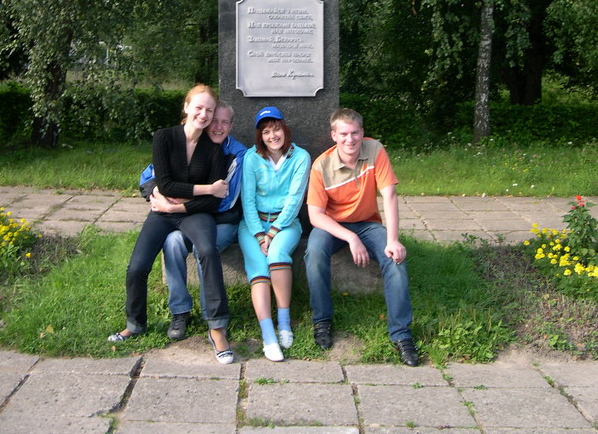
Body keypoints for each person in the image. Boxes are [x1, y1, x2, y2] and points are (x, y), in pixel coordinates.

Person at [108, 84, 234, 364]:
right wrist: (207, 188)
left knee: (208, 251)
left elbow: (213, 203)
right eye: (198, 107)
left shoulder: (214, 149)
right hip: (162, 213)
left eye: (209, 110)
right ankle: (135, 324)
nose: (203, 114)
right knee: (137, 266)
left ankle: (217, 328)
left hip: (194, 213)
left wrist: (180, 203)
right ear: (186, 107)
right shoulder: (164, 137)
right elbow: (164, 184)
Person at [304, 108, 419, 366]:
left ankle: (401, 334)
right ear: (334, 135)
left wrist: (393, 239)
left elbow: (389, 195)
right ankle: (322, 321)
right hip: (333, 225)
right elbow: (315, 216)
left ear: (362, 132)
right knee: (314, 254)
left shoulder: (375, 150)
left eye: (355, 133)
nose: (350, 139)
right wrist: (350, 238)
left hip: (368, 224)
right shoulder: (321, 165)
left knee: (395, 260)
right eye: (344, 134)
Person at [139, 101, 246, 342]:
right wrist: (156, 192)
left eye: (224, 122)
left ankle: (212, 318)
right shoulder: (189, 143)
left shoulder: (238, 154)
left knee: (202, 248)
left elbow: (224, 200)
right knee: (172, 243)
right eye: (214, 121)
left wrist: (175, 203)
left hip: (222, 221)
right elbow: (149, 176)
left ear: (231, 126)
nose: (217, 127)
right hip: (191, 217)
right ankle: (180, 311)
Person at [238, 106, 310, 361]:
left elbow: (295, 199)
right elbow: (247, 200)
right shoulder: (251, 157)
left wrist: (273, 232)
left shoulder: (300, 157)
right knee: (258, 268)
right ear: (260, 136)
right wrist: (260, 235)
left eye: (276, 129)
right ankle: (268, 336)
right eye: (266, 132)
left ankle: (284, 322)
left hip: (285, 224)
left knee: (278, 254)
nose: (272, 136)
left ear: (285, 128)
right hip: (253, 225)